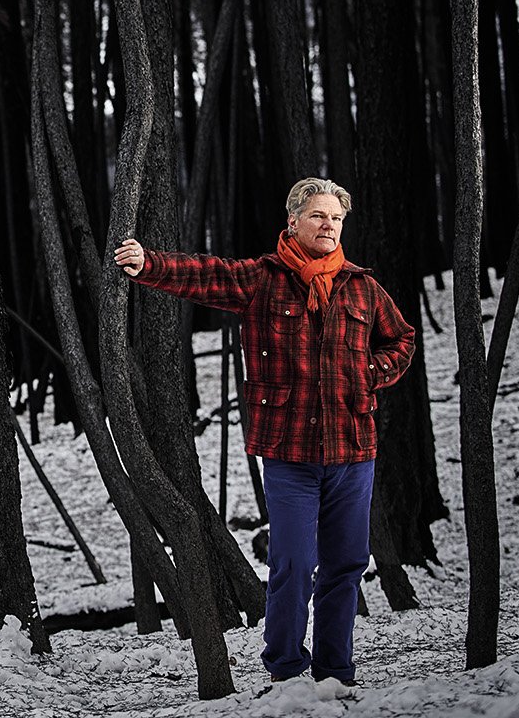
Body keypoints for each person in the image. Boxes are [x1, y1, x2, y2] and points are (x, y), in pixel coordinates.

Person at [112, 177, 415, 686]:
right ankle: (287, 672)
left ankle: (336, 673)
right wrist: (150, 264)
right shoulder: (264, 279)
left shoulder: (362, 287)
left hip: (353, 450)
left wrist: (370, 372)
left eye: (336, 218)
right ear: (293, 221)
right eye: (319, 216)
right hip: (289, 451)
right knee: (294, 562)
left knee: (346, 564)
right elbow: (207, 275)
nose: (329, 225)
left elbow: (401, 340)